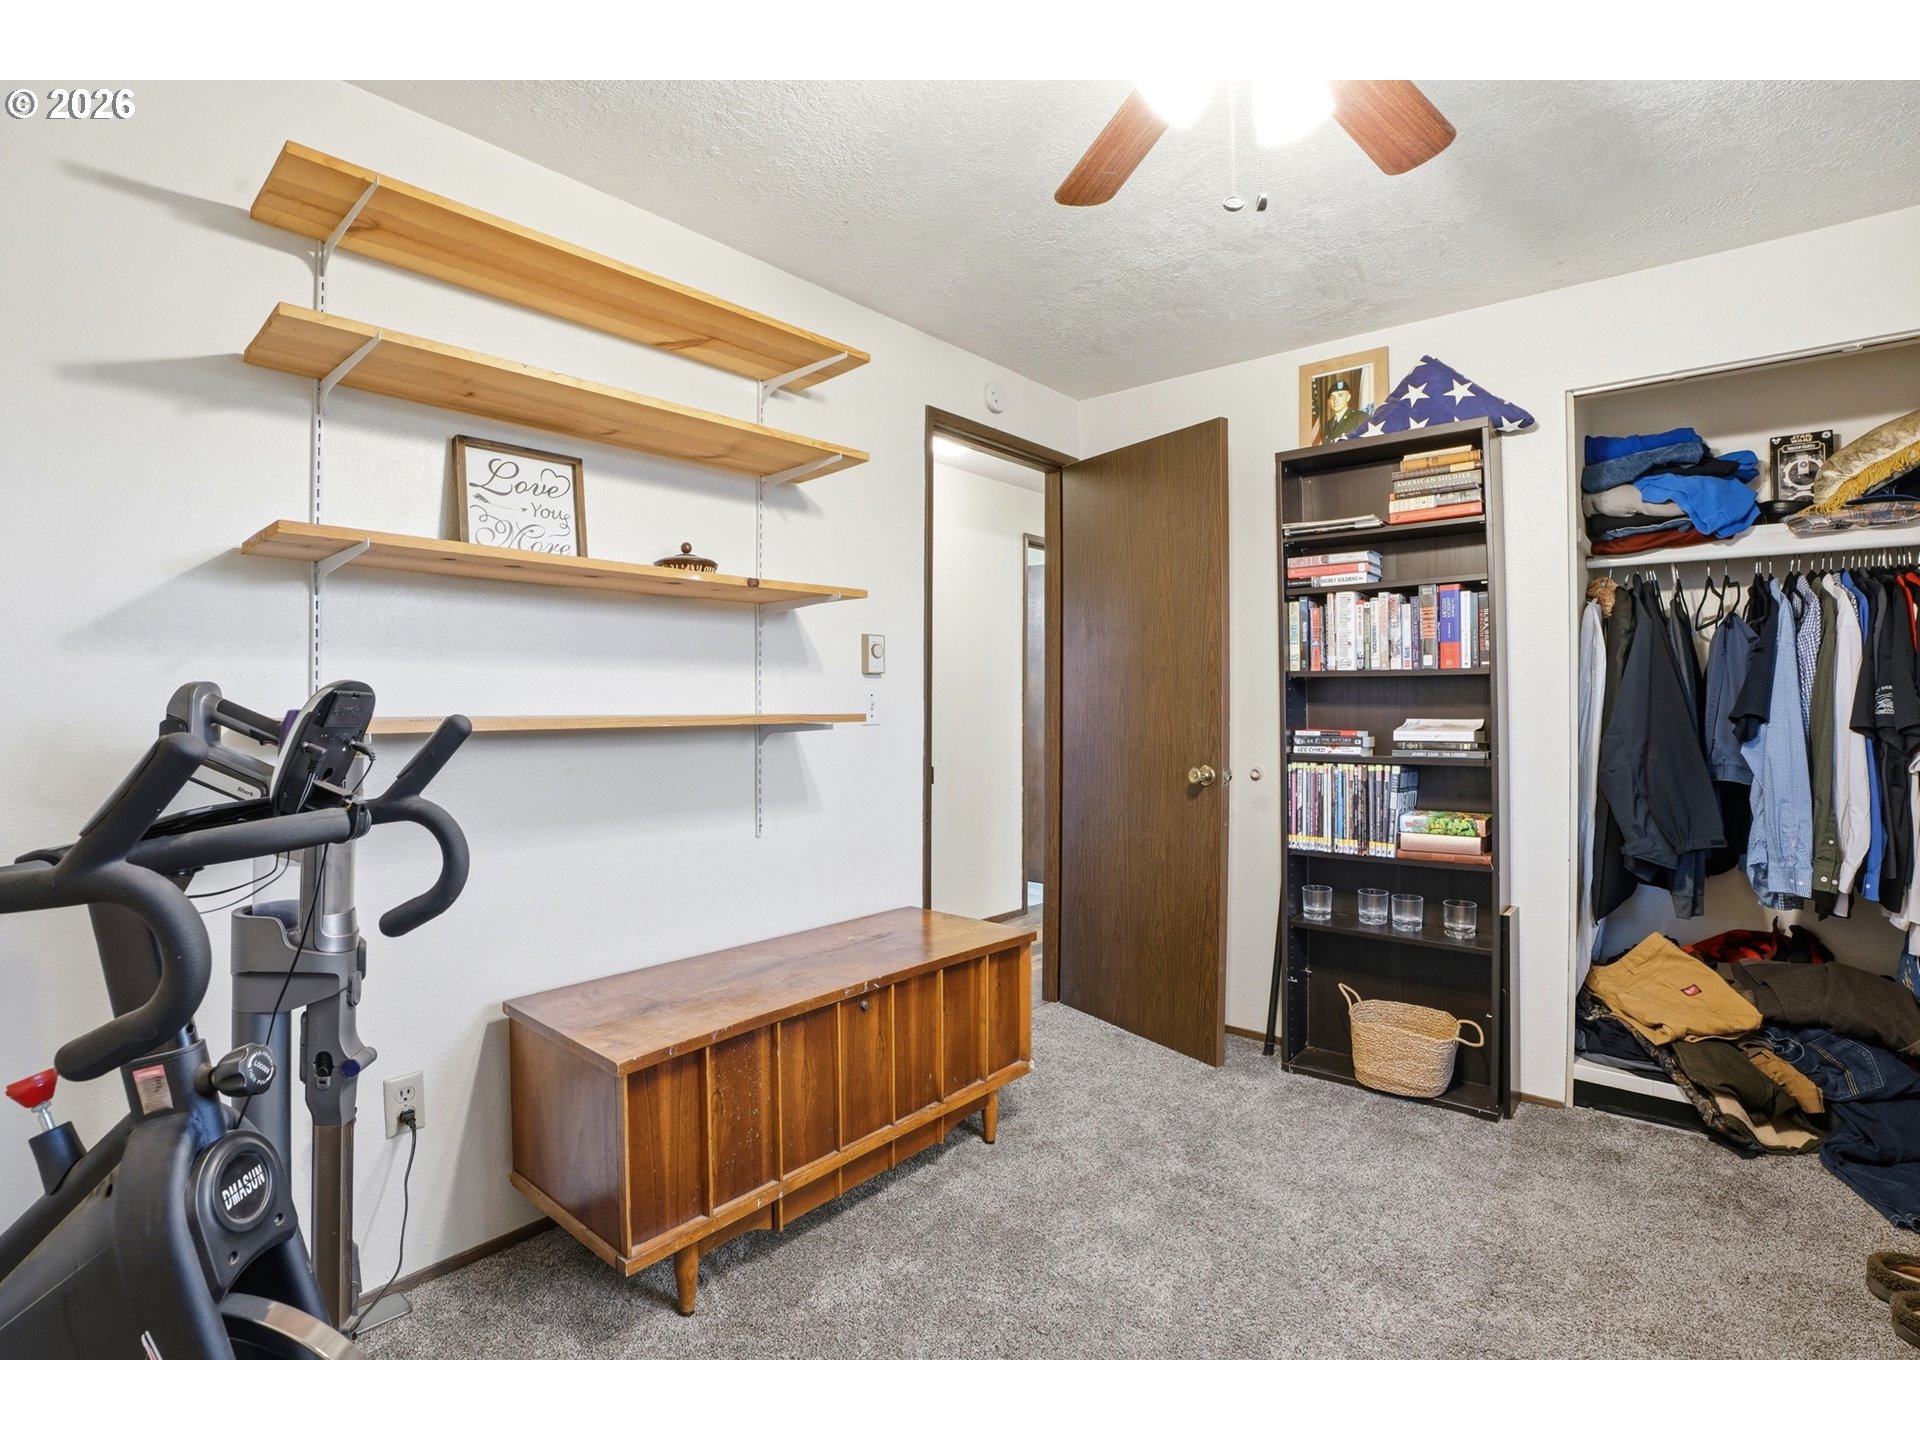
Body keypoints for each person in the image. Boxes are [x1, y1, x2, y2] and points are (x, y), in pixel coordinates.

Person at [1313, 376, 1368, 444]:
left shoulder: (1360, 418)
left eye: (1340, 395)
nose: (1336, 400)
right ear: (1329, 401)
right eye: (1332, 397)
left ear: (1348, 397)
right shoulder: (1328, 425)